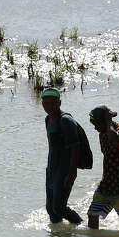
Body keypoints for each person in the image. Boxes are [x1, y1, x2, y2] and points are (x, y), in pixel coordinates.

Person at [85, 106, 119, 230]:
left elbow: (115, 138)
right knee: (92, 215)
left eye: (97, 124)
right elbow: (107, 158)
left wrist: (108, 122)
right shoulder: (102, 134)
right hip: (107, 184)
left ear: (106, 121)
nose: (95, 127)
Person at [41, 87, 87, 225]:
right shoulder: (48, 119)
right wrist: (49, 170)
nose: (49, 106)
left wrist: (72, 173)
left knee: (59, 208)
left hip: (65, 170)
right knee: (51, 210)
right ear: (42, 104)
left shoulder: (66, 121)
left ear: (59, 103)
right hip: (52, 169)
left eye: (53, 103)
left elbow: (75, 148)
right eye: (46, 103)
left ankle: (82, 227)